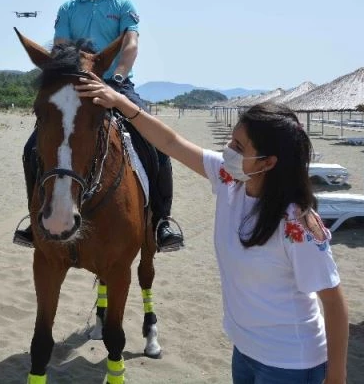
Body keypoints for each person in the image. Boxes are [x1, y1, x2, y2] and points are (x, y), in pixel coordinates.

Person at [76, 78, 349, 384]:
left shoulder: (297, 225)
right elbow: (170, 143)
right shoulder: (231, 180)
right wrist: (121, 103)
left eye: (238, 147)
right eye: (231, 141)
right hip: (245, 351)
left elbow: (334, 303)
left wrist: (337, 376)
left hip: (290, 362)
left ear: (269, 162)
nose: (228, 151)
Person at [13, 0, 184, 252]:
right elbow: (62, 49)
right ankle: (34, 216)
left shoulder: (122, 5)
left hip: (117, 85)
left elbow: (130, 45)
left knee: (156, 145)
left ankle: (161, 222)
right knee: (32, 146)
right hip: (77, 89)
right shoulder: (67, 9)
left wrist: (117, 78)